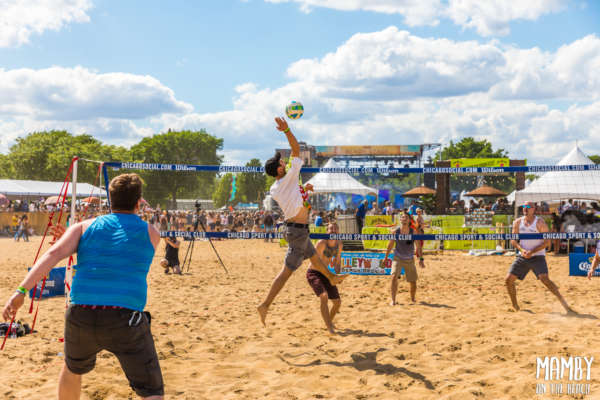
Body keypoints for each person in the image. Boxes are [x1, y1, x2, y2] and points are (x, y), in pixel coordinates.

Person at [2, 173, 164, 399]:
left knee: (72, 369)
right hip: (125, 317)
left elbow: (53, 254)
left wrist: (20, 291)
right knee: (152, 391)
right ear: (139, 202)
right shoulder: (152, 233)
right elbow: (122, 251)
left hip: (82, 313)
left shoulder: (83, 227)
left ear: (110, 200)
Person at [257, 117, 331, 327]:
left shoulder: (277, 187)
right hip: (297, 231)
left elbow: (294, 198)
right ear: (280, 170)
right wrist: (286, 130)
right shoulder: (288, 178)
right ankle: (264, 305)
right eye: (281, 162)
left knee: (315, 259)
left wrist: (303, 190)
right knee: (286, 272)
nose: (284, 162)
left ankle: (333, 278)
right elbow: (296, 149)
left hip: (298, 229)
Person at [505, 201, 573, 313]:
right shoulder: (518, 222)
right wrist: (522, 250)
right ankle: (515, 306)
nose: (525, 208)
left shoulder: (540, 222)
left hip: (537, 256)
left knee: (545, 280)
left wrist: (532, 252)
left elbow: (547, 242)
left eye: (528, 207)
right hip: (523, 256)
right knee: (508, 280)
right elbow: (513, 240)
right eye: (524, 206)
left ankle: (566, 306)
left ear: (534, 209)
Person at [306, 222, 346, 334]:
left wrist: (338, 275)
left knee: (337, 303)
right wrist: (331, 276)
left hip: (327, 273)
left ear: (339, 231)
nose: (333, 230)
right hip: (314, 272)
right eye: (331, 229)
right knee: (324, 296)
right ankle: (329, 327)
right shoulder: (321, 243)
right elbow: (315, 262)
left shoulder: (339, 244)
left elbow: (337, 263)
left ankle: (329, 322)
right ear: (326, 231)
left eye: (335, 228)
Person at [384, 212, 425, 305]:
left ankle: (413, 299)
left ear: (409, 220)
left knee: (413, 281)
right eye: (403, 217)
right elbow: (390, 245)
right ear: (400, 220)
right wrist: (385, 258)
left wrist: (421, 259)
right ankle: (393, 300)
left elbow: (418, 246)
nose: (404, 219)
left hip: (409, 258)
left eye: (406, 217)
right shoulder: (395, 231)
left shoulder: (413, 232)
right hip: (397, 257)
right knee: (393, 277)